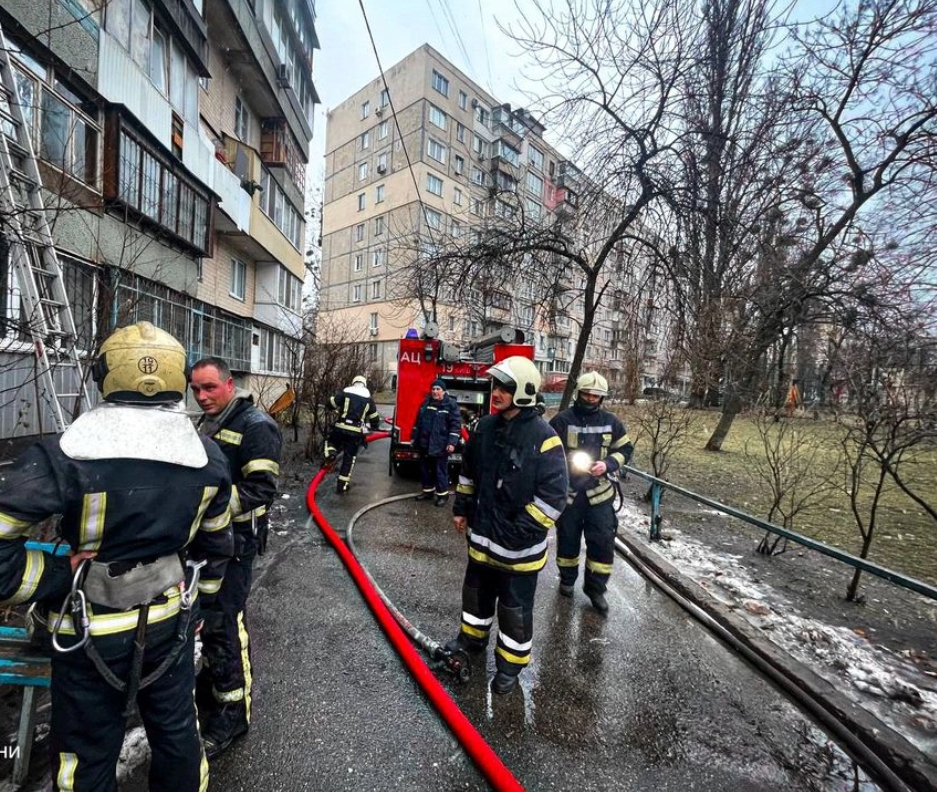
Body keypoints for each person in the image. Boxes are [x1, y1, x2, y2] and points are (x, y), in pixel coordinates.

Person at [0, 322, 233, 792]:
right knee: (177, 739)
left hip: (87, 634)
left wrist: (53, 577)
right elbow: (215, 549)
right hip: (170, 625)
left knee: (85, 757)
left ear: (105, 375)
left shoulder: (63, 456)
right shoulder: (207, 456)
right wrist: (203, 609)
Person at [447, 356, 568, 694]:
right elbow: (469, 473)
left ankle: (509, 668)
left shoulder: (545, 438)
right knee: (475, 600)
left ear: (524, 393)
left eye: (504, 388)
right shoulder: (484, 428)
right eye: (495, 386)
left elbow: (553, 498)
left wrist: (518, 532)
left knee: (514, 612)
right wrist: (462, 507)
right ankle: (470, 643)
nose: (495, 393)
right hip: (482, 544)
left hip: (518, 555)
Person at [190, 357, 282, 759]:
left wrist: (205, 506)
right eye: (195, 388)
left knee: (226, 623)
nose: (202, 396)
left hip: (236, 543)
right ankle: (212, 689)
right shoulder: (203, 424)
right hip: (205, 543)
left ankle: (232, 713)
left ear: (230, 384)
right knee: (206, 621)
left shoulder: (256, 427)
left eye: (209, 387)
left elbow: (261, 490)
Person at [549, 371, 633, 614]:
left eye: (596, 396)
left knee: (602, 542)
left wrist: (608, 464)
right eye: (587, 394)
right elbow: (548, 451)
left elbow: (625, 448)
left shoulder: (612, 421)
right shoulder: (562, 421)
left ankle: (596, 589)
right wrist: (566, 463)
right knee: (568, 539)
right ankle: (567, 579)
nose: (591, 399)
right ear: (578, 394)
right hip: (570, 494)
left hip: (600, 494)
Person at [324, 374, 382, 494]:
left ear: (353, 383)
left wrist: (329, 403)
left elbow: (332, 403)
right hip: (356, 433)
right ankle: (342, 486)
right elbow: (375, 419)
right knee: (349, 459)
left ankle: (331, 453)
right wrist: (374, 427)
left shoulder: (345, 393)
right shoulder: (368, 399)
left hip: (340, 427)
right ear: (364, 385)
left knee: (332, 442)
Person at [412, 378, 461, 506]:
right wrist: (414, 437)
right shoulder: (426, 403)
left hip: (441, 444)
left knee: (440, 471)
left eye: (438, 389)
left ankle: (442, 495)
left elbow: (455, 425)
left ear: (444, 391)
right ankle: (427, 492)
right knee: (425, 469)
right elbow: (418, 422)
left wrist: (452, 443)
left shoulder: (450, 405)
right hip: (425, 443)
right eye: (433, 389)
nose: (435, 391)